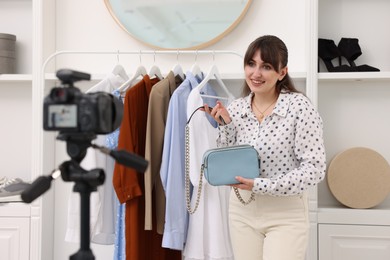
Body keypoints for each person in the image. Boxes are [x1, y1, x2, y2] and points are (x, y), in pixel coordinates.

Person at [204, 35, 326, 260]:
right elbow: (228, 158)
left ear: (282, 72)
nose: (256, 73)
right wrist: (226, 125)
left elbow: (314, 169)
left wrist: (262, 185)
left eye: (266, 66)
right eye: (251, 64)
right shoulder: (237, 107)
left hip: (285, 213)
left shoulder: (299, 108)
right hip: (242, 210)